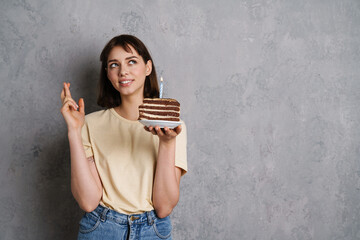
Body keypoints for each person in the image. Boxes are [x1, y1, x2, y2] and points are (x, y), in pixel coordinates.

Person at [60, 34, 187, 240]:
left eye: (131, 62)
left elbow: (163, 207)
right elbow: (88, 201)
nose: (123, 71)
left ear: (148, 68)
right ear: (108, 74)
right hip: (101, 229)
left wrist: (167, 143)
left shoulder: (173, 127)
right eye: (114, 65)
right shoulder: (89, 124)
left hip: (152, 231)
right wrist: (74, 131)